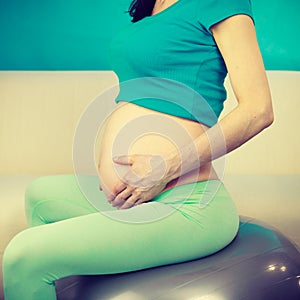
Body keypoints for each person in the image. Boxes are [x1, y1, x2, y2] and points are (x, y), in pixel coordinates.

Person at [2, 0, 274, 299]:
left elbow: (258, 110)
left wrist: (166, 167)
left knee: (23, 255)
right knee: (41, 195)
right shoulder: (152, 7)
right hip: (134, 199)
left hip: (187, 205)